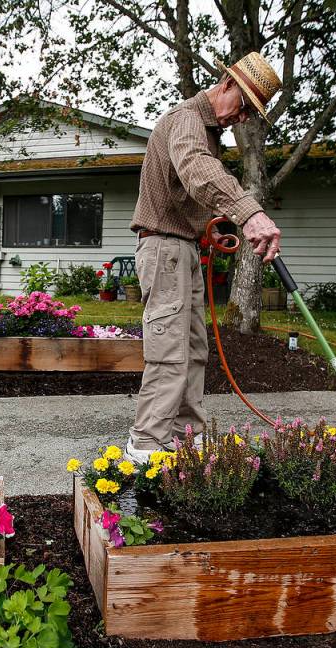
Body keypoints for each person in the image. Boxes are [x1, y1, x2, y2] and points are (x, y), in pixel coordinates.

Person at [125, 51, 284, 463]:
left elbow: (193, 188)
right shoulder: (187, 119)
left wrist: (215, 225)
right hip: (164, 248)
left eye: (252, 113)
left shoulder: (207, 131)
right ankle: (146, 447)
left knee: (194, 349)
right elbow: (196, 170)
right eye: (245, 105)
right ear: (228, 84)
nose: (244, 118)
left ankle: (185, 437)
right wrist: (249, 211)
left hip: (184, 249)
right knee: (170, 349)